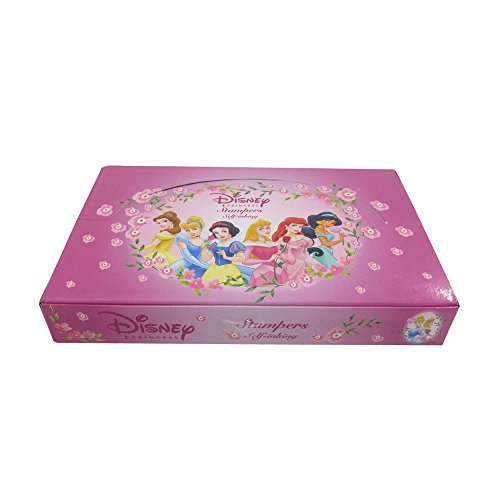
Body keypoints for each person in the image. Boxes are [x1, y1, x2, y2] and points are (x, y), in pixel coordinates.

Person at [242, 218, 288, 286]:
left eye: (267, 228)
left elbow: (285, 258)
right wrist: (267, 260)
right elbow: (245, 261)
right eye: (261, 229)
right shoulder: (250, 244)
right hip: (264, 271)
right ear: (254, 231)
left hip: (279, 270)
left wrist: (287, 250)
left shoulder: (272, 243)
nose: (266, 230)